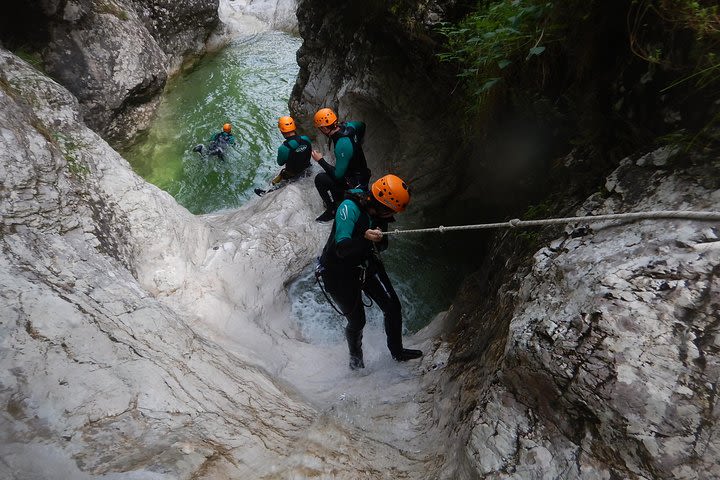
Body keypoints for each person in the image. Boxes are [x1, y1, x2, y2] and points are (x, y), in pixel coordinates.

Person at [315, 174, 423, 370]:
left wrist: (377, 239)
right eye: (390, 210)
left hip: (364, 263)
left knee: (392, 306)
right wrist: (365, 237)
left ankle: (397, 353)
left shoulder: (379, 212)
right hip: (338, 272)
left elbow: (382, 246)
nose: (391, 215)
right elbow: (342, 248)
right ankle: (356, 362)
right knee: (357, 321)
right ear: (382, 205)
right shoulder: (349, 208)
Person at [311, 107, 371, 222]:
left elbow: (337, 176)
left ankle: (332, 209)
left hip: (355, 182)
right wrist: (358, 143)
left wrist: (320, 160)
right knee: (332, 172)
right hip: (361, 173)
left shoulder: (342, 144)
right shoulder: (349, 126)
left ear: (324, 128)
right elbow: (362, 125)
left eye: (320, 128)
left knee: (320, 178)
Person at [254, 116, 313, 196]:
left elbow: (280, 163)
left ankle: (266, 193)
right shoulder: (305, 138)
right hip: (307, 169)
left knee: (279, 181)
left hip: (293, 175)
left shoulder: (284, 148)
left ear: (281, 131)